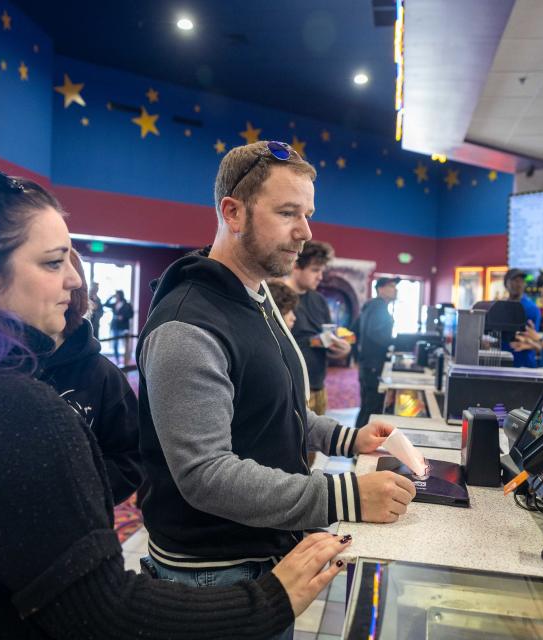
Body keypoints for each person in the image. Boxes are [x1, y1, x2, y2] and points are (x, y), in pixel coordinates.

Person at [0, 169, 348, 639]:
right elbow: (102, 616)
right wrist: (271, 598)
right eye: (52, 264)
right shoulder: (12, 408)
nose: (74, 280)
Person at [134, 142, 415, 633]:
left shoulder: (254, 295)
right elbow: (206, 475)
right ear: (233, 212)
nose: (305, 232)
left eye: (307, 214)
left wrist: (345, 439)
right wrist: (345, 496)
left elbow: (270, 410)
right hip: (214, 578)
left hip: (259, 554)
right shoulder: (187, 325)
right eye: (288, 213)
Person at [36, 249, 142, 505]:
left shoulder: (103, 374)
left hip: (78, 521)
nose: (68, 282)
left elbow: (130, 460)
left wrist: (76, 493)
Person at [284, 240, 351, 416]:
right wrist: (315, 341)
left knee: (316, 442)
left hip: (318, 384)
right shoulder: (278, 297)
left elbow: (327, 339)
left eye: (322, 270)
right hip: (290, 388)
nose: (320, 276)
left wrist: (340, 349)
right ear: (296, 266)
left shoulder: (319, 300)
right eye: (315, 270)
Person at [355, 276, 399, 428]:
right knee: (372, 406)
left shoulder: (371, 305)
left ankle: (356, 444)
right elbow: (374, 333)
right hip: (373, 364)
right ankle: (359, 445)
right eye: (391, 286)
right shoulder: (378, 306)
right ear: (380, 289)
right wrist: (395, 344)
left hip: (367, 363)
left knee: (367, 405)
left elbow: (354, 329)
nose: (395, 289)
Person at [502, 268, 541, 368]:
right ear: (506, 284)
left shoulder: (532, 308)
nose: (519, 284)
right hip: (502, 361)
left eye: (521, 281)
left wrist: (527, 341)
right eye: (515, 280)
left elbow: (534, 337)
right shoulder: (500, 307)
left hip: (524, 362)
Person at [104, 289, 134, 364]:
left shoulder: (127, 304)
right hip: (115, 326)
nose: (116, 296)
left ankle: (126, 360)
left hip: (124, 327)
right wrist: (111, 297)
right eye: (115, 295)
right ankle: (117, 360)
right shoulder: (114, 304)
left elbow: (131, 315)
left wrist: (123, 316)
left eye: (117, 295)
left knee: (125, 344)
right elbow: (105, 304)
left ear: (120, 295)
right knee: (115, 344)